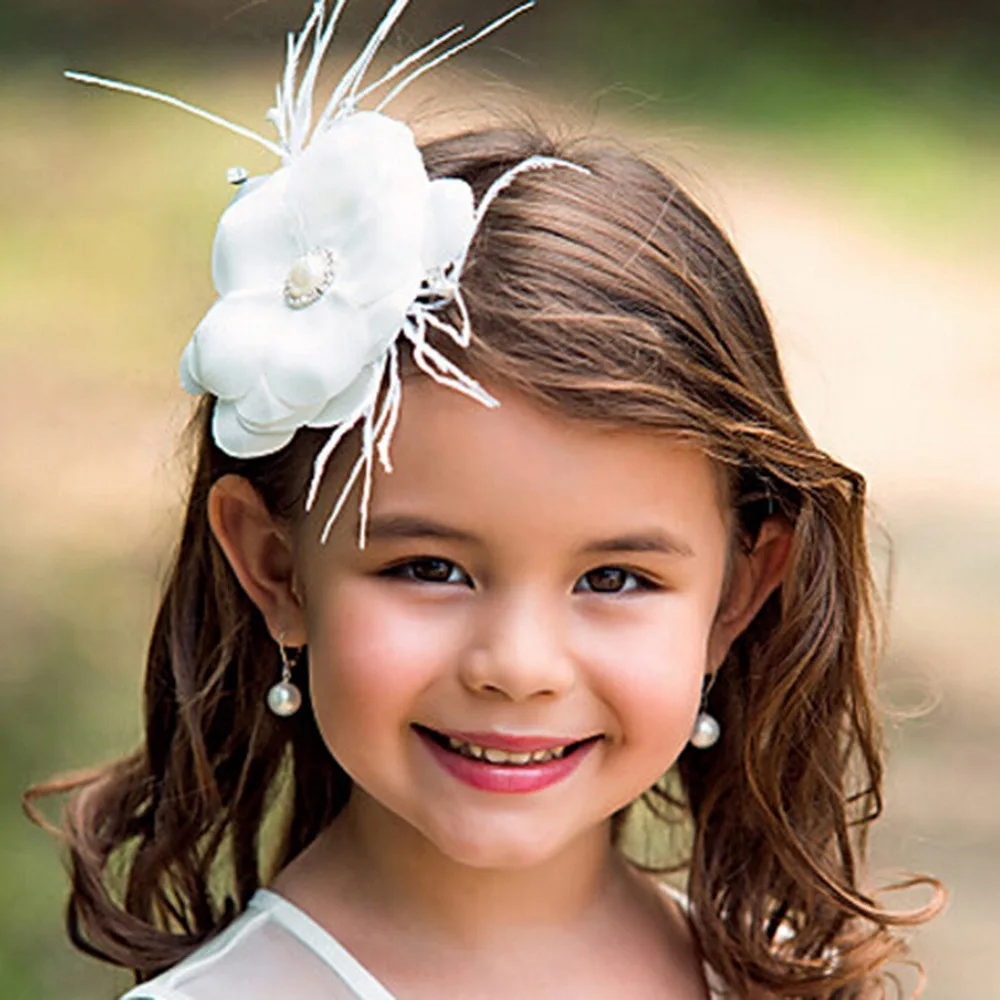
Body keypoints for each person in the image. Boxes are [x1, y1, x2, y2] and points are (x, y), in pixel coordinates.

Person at [27, 1, 941, 997]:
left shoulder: (773, 980)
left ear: (735, 593)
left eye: (615, 577)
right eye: (429, 568)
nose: (517, 666)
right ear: (277, 567)